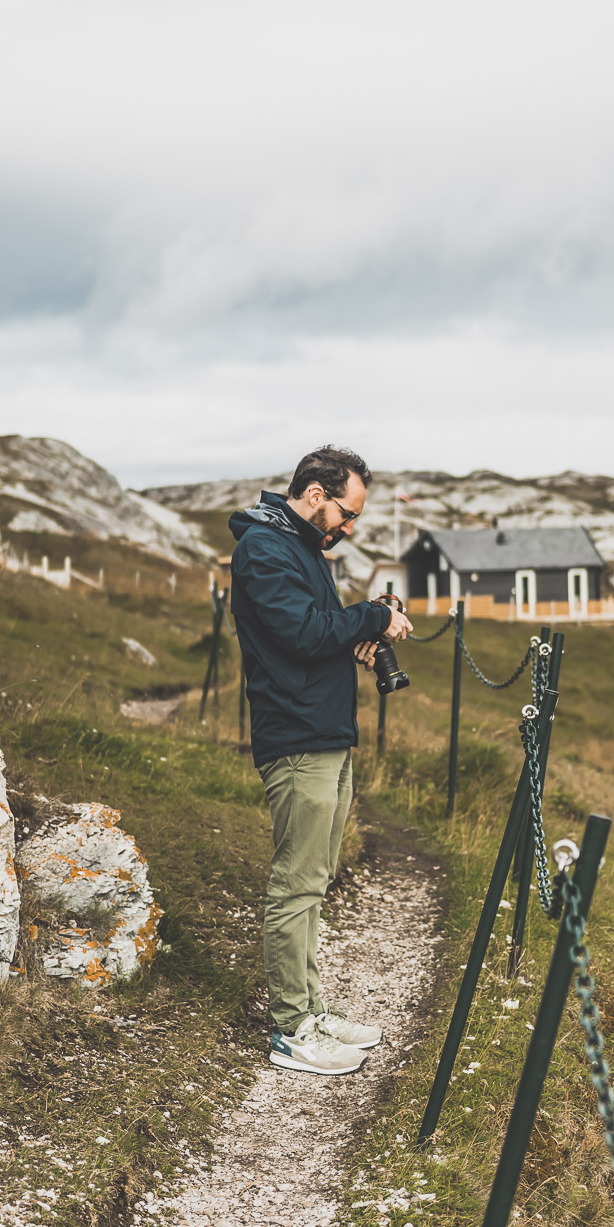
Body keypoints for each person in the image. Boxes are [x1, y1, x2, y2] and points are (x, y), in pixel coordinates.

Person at [229, 446, 413, 1076]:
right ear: (314, 494)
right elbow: (302, 633)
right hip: (298, 737)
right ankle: (291, 1032)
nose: (349, 527)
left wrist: (352, 637)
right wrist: (369, 617)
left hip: (327, 733)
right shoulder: (263, 549)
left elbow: (314, 635)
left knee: (317, 877)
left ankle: (312, 1007)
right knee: (296, 883)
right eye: (346, 513)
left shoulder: (300, 548)